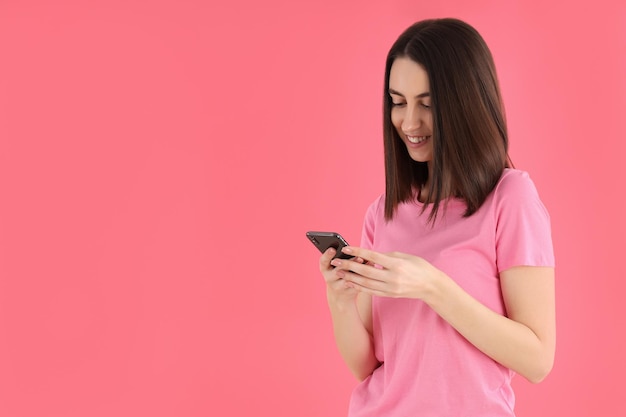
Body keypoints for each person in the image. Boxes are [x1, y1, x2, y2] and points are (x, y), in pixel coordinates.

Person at [318, 18, 555, 416]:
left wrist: (433, 286)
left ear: (466, 102)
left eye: (427, 104)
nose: (409, 123)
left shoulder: (510, 199)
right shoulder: (384, 213)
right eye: (398, 101)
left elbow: (537, 360)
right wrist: (339, 300)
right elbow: (367, 367)